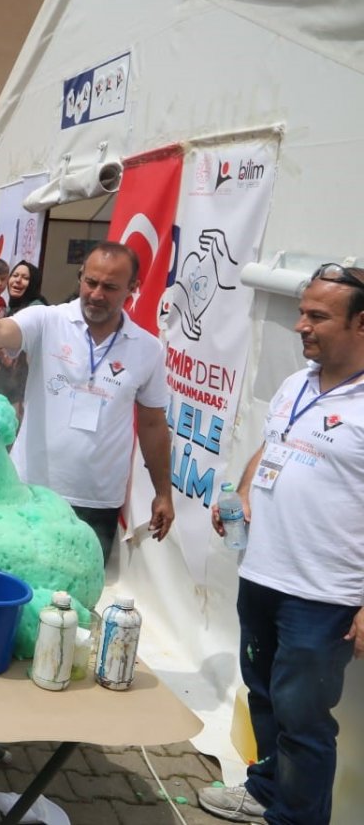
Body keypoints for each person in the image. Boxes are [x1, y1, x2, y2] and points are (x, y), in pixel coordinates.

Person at [196, 263, 364, 825]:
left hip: (323, 594)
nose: (301, 326)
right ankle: (265, 791)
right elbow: (269, 449)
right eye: (301, 312)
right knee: (264, 696)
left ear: (361, 324)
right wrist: (244, 492)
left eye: (318, 316)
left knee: (304, 720)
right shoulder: (297, 384)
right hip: (263, 574)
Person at [0, 242, 174, 562]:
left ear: (133, 288)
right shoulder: (46, 320)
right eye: (91, 282)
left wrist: (163, 493)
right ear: (80, 276)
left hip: (97, 501)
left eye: (110, 287)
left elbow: (153, 423)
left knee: (77, 602)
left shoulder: (147, 348)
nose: (97, 294)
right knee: (17, 583)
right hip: (28, 488)